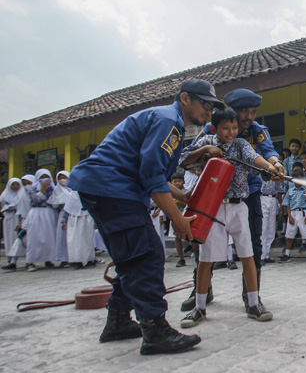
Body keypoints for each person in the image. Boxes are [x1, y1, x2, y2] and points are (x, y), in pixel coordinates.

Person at [67, 78, 216, 355]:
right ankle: (155, 330)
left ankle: (119, 322)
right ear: (185, 98)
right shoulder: (167, 122)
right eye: (205, 104)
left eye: (212, 107)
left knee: (131, 256)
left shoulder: (168, 120)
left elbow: (152, 173)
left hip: (108, 187)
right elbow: (150, 177)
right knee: (147, 255)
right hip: (111, 188)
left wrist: (182, 197)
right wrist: (178, 219)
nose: (209, 111)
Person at [180, 88, 284, 312]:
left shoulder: (256, 131)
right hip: (213, 198)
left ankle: (251, 297)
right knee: (202, 244)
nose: (248, 117)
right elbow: (189, 157)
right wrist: (204, 154)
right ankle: (202, 292)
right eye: (242, 112)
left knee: (251, 247)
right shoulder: (209, 131)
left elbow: (266, 152)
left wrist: (274, 165)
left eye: (253, 112)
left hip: (248, 195)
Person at [278, 165, 306, 264]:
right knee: (289, 235)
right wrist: (289, 216)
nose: (298, 180)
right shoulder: (290, 190)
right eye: (296, 178)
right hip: (293, 214)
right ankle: (287, 255)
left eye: (300, 178)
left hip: (303, 213)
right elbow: (287, 205)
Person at [25, 169, 59, 271]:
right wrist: (43, 188)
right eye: (42, 177)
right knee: (34, 238)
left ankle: (48, 259)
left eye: (46, 176)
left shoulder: (53, 189)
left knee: (49, 238)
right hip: (36, 213)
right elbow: (36, 200)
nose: (45, 179)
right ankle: (30, 262)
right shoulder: (32, 189)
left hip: (49, 214)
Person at [61, 181, 97, 268]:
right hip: (74, 220)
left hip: (87, 218)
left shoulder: (88, 194)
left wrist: (96, 220)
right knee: (74, 241)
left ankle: (89, 259)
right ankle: (76, 261)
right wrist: (63, 221)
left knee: (88, 240)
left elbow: (94, 207)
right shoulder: (71, 195)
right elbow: (66, 209)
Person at [260, 173, 283, 264]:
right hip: (263, 197)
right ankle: (261, 256)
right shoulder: (261, 173)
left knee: (271, 229)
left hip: (274, 199)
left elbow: (279, 190)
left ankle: (266, 255)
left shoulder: (277, 173)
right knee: (263, 228)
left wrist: (281, 204)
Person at [50, 170, 71, 267]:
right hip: (63, 215)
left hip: (74, 215)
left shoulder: (73, 188)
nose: (62, 180)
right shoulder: (56, 190)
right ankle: (63, 258)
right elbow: (54, 205)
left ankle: (73, 257)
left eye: (64, 177)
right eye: (60, 177)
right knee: (62, 237)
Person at [1, 178, 23, 271]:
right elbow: (2, 206)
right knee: (8, 239)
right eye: (13, 184)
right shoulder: (4, 195)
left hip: (19, 219)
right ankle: (10, 260)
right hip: (9, 219)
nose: (15, 187)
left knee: (17, 239)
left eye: (17, 184)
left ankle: (14, 260)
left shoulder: (22, 195)